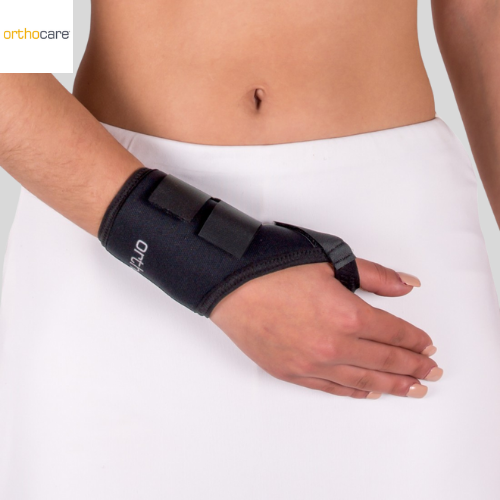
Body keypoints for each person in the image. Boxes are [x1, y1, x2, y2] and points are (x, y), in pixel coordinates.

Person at [0, 0, 499, 498]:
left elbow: (479, 13)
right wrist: (204, 258)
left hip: (393, 235)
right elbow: (10, 51)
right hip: (111, 212)